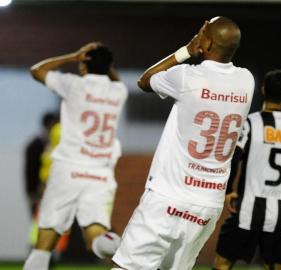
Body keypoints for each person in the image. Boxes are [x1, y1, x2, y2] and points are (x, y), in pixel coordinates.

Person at [112, 17, 255, 270]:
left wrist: (187, 50)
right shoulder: (247, 81)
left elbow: (145, 81)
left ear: (207, 42)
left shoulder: (188, 76)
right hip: (208, 204)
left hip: (169, 196)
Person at [23, 42, 128, 270]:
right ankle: (118, 245)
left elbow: (37, 71)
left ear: (83, 65)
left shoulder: (74, 85)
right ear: (109, 66)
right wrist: (103, 64)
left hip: (69, 170)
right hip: (101, 173)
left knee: (44, 244)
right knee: (96, 235)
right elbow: (114, 79)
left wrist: (73, 56)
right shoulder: (119, 91)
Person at [213, 70, 281, 270]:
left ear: (263, 90)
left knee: (223, 262)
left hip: (249, 208)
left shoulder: (251, 122)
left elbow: (235, 158)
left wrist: (228, 191)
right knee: (278, 266)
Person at [24, 112, 58, 216]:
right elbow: (30, 171)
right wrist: (33, 193)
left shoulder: (57, 145)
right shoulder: (36, 146)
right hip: (40, 192)